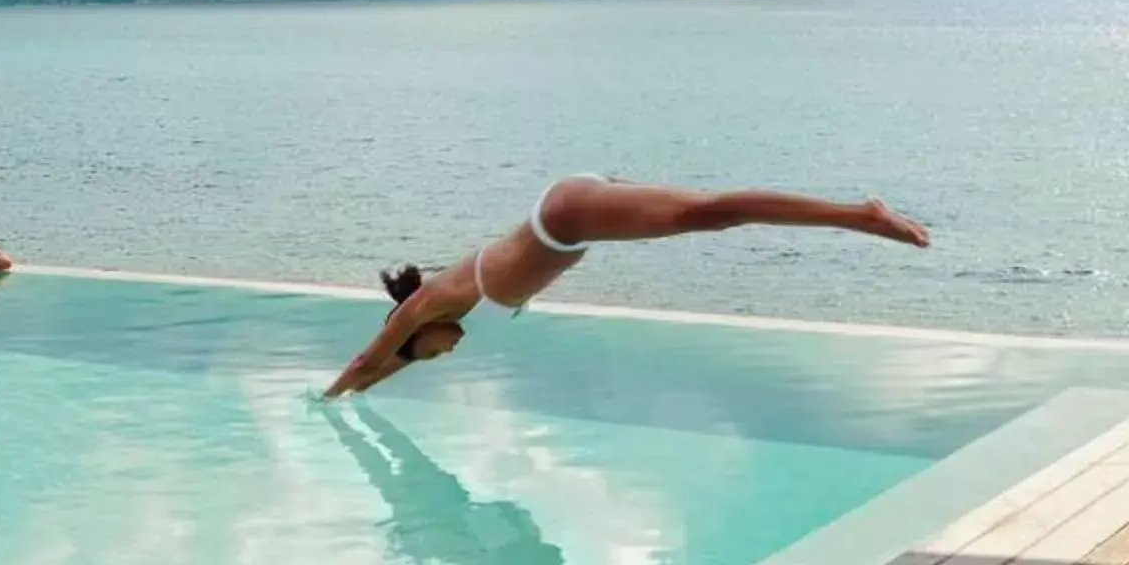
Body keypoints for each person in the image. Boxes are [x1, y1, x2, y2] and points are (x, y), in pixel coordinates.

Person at [322, 175, 928, 398]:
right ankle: (857, 216)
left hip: (566, 219)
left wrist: (327, 400)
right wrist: (367, 389)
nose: (446, 353)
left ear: (416, 329)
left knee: (710, 214)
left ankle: (860, 215)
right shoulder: (451, 301)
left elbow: (370, 358)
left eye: (431, 354)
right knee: (708, 215)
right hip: (572, 217)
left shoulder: (426, 306)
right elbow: (384, 367)